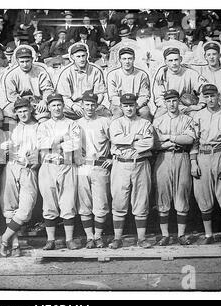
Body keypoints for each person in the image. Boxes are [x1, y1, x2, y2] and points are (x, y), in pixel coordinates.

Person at [108, 93, 154, 249]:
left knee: (141, 202)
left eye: (131, 105)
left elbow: (148, 143)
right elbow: (116, 140)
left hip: (141, 164)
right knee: (119, 201)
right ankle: (117, 238)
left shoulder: (145, 123)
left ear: (136, 106)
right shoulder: (116, 123)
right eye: (125, 105)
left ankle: (141, 239)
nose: (129, 108)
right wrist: (135, 137)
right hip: (120, 165)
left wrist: (126, 141)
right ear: (121, 107)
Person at [37, 93, 81, 250]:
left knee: (68, 202)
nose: (56, 108)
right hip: (48, 165)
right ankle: (51, 240)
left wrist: (54, 142)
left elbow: (75, 145)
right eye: (53, 105)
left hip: (67, 164)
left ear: (63, 106)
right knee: (49, 203)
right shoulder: (43, 125)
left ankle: (69, 239)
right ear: (48, 107)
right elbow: (41, 144)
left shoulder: (72, 124)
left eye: (59, 105)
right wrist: (62, 139)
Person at [152, 90, 196, 246]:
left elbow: (189, 139)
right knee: (162, 195)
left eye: (174, 100)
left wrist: (170, 137)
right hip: (163, 158)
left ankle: (181, 235)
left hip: (182, 157)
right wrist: (176, 140)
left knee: (182, 193)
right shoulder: (158, 120)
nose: (172, 104)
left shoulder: (187, 119)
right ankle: (165, 235)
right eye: (169, 101)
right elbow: (155, 143)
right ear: (165, 103)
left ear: (179, 101)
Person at [0, 98, 40, 257]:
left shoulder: (39, 126)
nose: (23, 114)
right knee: (9, 208)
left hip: (28, 169)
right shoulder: (11, 127)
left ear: (30, 110)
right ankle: (15, 244)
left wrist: (39, 156)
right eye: (19, 111)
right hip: (11, 166)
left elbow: (45, 148)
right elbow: (0, 147)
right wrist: (4, 147)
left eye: (25, 110)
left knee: (25, 210)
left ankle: (4, 239)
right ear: (15, 112)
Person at [190, 84, 221, 245]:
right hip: (203, 156)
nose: (210, 99)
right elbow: (194, 141)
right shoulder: (198, 115)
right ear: (203, 98)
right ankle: (209, 234)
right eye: (207, 96)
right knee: (203, 196)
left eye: (213, 95)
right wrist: (193, 162)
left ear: (218, 95)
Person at [77, 92, 112, 249]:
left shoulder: (105, 121)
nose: (90, 107)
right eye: (87, 104)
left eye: (93, 104)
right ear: (82, 105)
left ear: (97, 106)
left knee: (101, 204)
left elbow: (116, 142)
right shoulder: (76, 123)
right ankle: (89, 237)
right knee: (84, 203)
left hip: (100, 165)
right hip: (83, 166)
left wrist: (112, 158)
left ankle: (98, 236)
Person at [3, 46, 54, 130]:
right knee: (8, 111)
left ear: (32, 59)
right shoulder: (11, 74)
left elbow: (47, 89)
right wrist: (24, 104)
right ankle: (9, 137)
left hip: (37, 101)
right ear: (17, 61)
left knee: (43, 113)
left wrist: (44, 101)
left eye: (27, 61)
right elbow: (11, 94)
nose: (25, 64)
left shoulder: (40, 71)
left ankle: (44, 137)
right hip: (18, 102)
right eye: (22, 62)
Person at [56, 43, 107, 120]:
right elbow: (64, 96)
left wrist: (92, 106)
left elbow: (100, 93)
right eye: (78, 56)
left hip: (92, 105)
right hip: (74, 107)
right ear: (72, 57)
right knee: (59, 113)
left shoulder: (96, 70)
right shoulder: (66, 72)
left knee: (107, 114)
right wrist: (74, 106)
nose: (81, 59)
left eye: (83, 56)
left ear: (87, 55)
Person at [153, 47, 207, 118]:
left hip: (188, 107)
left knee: (196, 116)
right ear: (165, 62)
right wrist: (175, 108)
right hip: (168, 107)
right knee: (157, 118)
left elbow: (205, 88)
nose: (174, 63)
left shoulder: (191, 73)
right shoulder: (161, 76)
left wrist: (201, 104)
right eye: (170, 60)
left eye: (176, 60)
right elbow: (159, 98)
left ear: (181, 59)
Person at [106, 47, 151, 121]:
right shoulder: (112, 75)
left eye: (130, 58)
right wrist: (125, 106)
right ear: (120, 60)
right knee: (117, 113)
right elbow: (112, 96)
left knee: (144, 112)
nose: (127, 62)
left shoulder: (142, 74)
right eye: (124, 59)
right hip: (119, 105)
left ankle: (144, 131)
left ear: (134, 59)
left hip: (137, 104)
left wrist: (134, 106)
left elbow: (144, 95)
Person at [191, 42, 221, 107]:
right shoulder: (201, 69)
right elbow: (182, 65)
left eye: (214, 54)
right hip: (203, 104)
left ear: (219, 55)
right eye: (208, 55)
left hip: (220, 104)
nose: (211, 57)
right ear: (205, 57)